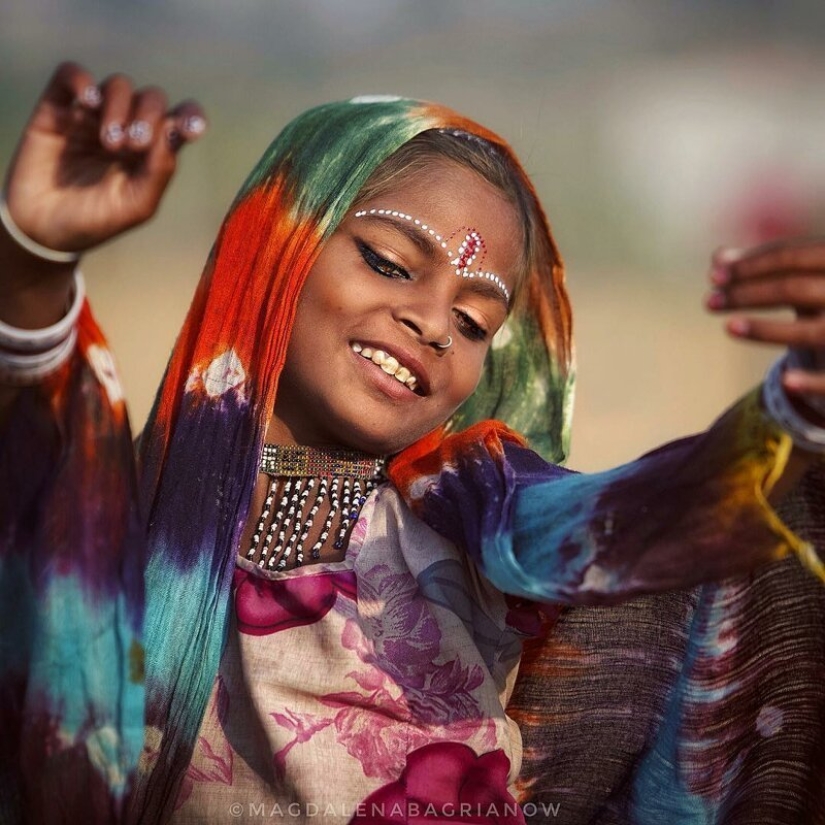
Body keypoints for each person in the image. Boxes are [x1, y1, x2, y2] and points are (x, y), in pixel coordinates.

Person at [1, 62, 824, 825]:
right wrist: (35, 257)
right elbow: (33, 463)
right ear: (278, 244)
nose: (432, 322)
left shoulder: (471, 498)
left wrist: (793, 415)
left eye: (473, 322)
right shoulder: (127, 514)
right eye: (389, 262)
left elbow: (628, 521)